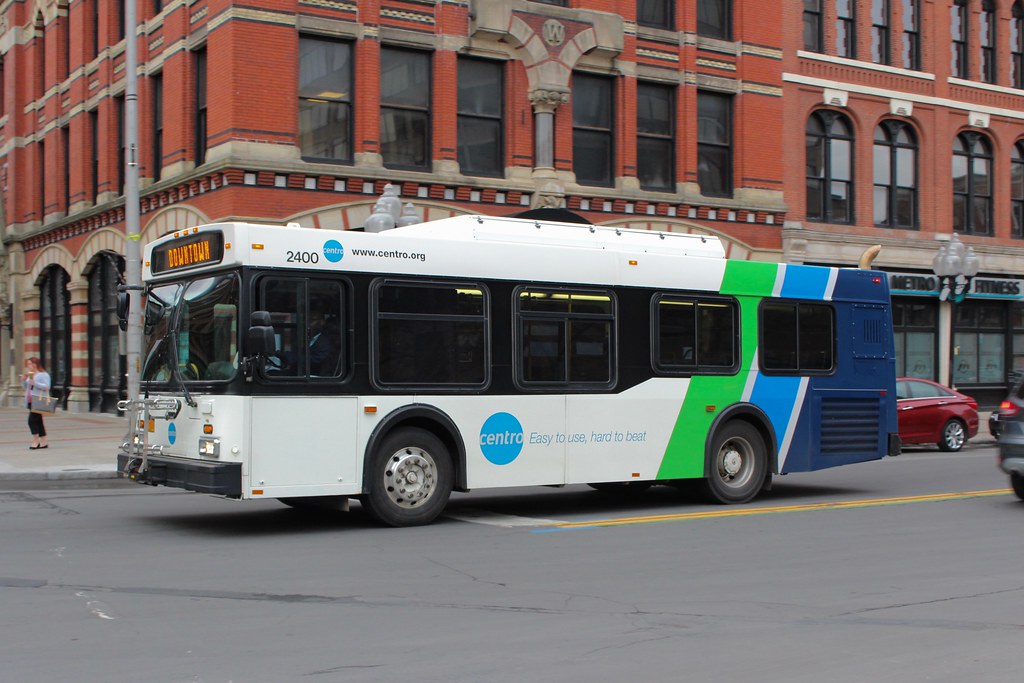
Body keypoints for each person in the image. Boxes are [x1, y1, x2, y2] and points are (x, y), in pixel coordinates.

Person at [22, 357, 51, 449]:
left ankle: (36, 441)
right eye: (28, 364)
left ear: (35, 364)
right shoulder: (30, 374)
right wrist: (24, 380)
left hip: (38, 400)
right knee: (38, 421)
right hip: (31, 400)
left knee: (31, 421)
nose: (29, 366)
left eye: (30, 364)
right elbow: (26, 387)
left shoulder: (43, 374)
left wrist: (35, 383)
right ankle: (44, 441)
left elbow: (47, 387)